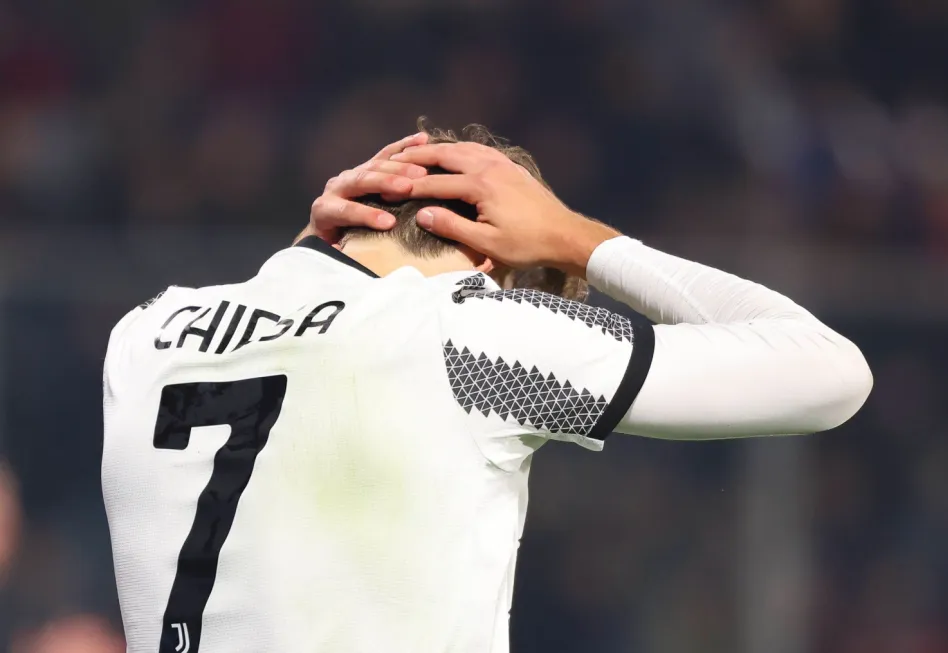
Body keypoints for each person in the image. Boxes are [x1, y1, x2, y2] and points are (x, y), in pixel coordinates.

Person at [102, 124, 873, 653]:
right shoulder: (467, 333)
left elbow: (298, 324)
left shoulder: (146, 334)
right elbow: (831, 372)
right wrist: (579, 237)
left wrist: (314, 245)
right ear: (491, 266)